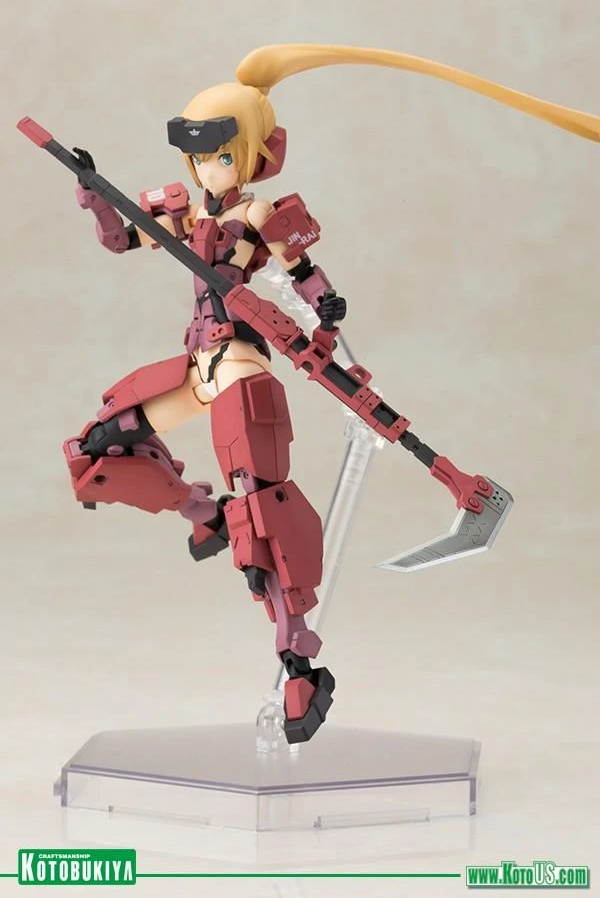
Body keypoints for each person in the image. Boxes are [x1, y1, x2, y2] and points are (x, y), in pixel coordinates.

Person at [64, 43, 600, 743]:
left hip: (241, 362)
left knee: (263, 510)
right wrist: (92, 195)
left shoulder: (260, 214)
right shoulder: (187, 214)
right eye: (196, 156)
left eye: (218, 154)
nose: (205, 169)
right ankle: (206, 513)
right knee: (97, 449)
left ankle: (299, 667)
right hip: (199, 361)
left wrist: (325, 320)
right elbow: (120, 239)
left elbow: (309, 277)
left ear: (254, 153)